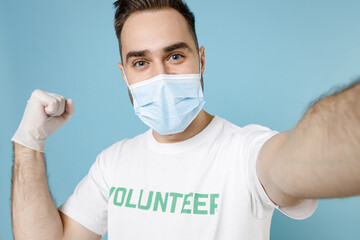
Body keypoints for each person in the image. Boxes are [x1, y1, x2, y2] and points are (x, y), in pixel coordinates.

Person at [10, 0, 360, 239]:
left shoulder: (245, 153)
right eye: (141, 62)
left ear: (201, 59)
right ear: (124, 74)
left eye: (175, 55)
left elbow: (299, 156)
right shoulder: (113, 164)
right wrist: (29, 142)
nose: (161, 77)